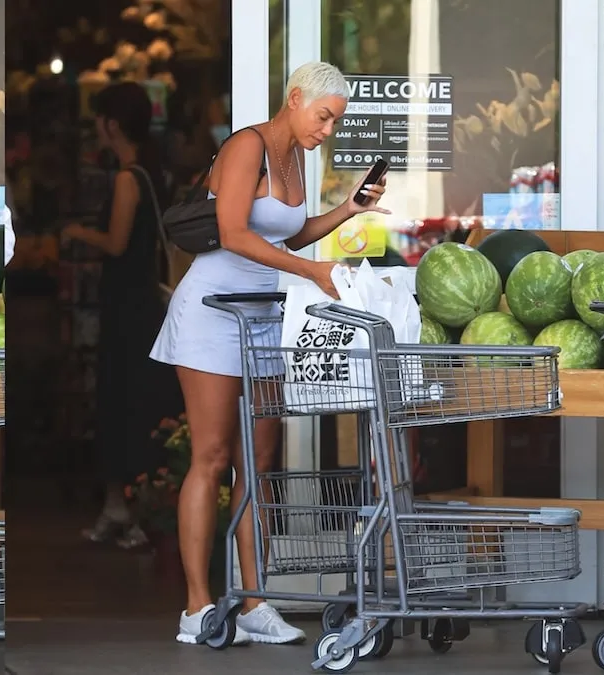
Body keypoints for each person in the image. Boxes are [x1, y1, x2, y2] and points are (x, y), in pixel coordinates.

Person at [148, 61, 389, 646]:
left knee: (257, 461)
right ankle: (197, 607)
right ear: (296, 97)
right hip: (211, 312)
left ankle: (255, 602)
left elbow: (288, 232)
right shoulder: (244, 146)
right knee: (209, 456)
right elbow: (232, 233)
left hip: (261, 318)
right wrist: (310, 272)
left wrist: (348, 210)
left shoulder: (296, 157)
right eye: (324, 116)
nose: (328, 130)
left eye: (336, 122)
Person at [62, 82, 179, 550]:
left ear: (111, 124)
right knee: (133, 402)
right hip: (138, 304)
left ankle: (128, 510)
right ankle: (123, 507)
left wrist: (76, 231)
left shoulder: (129, 178)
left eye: (100, 120)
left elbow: (115, 242)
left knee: (123, 402)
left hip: (129, 307)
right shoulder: (151, 173)